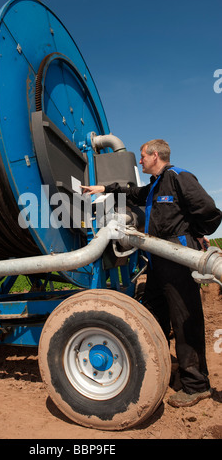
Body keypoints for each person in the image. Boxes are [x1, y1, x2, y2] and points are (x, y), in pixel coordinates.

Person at [81, 139, 222, 408]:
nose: (140, 161)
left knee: (184, 320)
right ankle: (163, 365)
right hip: (157, 260)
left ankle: (196, 384)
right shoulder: (155, 185)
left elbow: (209, 212)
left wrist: (194, 235)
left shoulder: (179, 177)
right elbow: (133, 193)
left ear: (155, 155)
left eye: (143, 157)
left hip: (177, 259)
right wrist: (102, 188)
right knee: (155, 312)